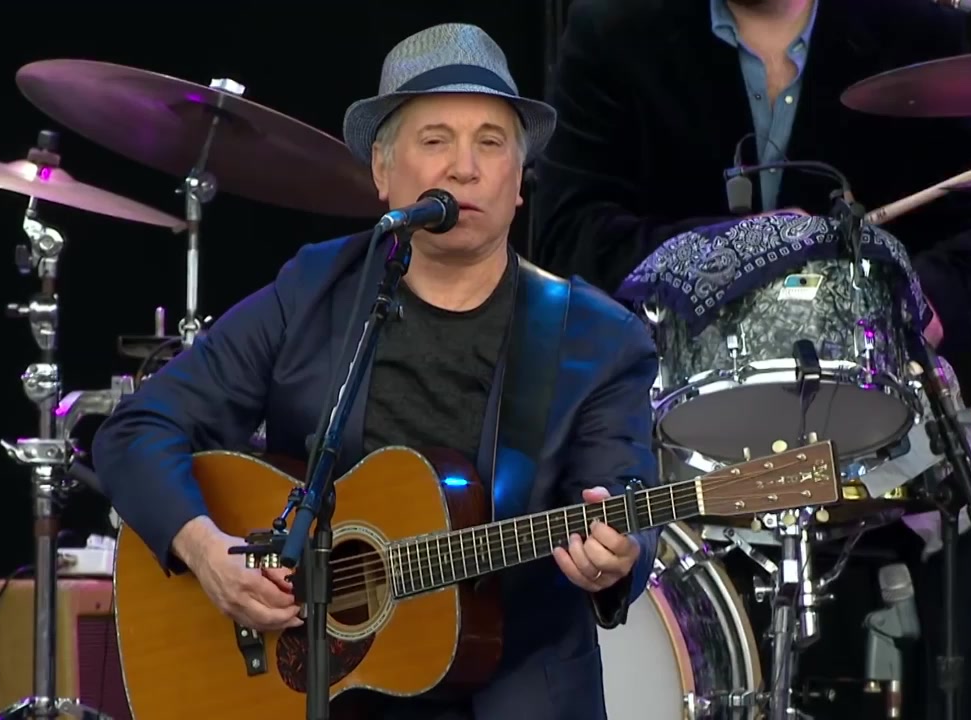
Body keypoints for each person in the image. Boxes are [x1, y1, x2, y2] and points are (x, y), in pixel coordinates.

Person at [92, 23, 661, 720]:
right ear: (382, 172)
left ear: (519, 183)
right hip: (319, 689)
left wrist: (619, 555)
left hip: (516, 692)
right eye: (435, 140)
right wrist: (207, 551)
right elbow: (137, 430)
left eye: (491, 143)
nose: (465, 168)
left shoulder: (601, 339)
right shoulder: (315, 289)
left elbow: (626, 496)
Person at [533, 0, 971, 718]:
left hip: (883, 423)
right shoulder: (617, 30)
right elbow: (567, 236)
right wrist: (735, 251)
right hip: (669, 426)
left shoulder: (917, 32)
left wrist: (908, 303)